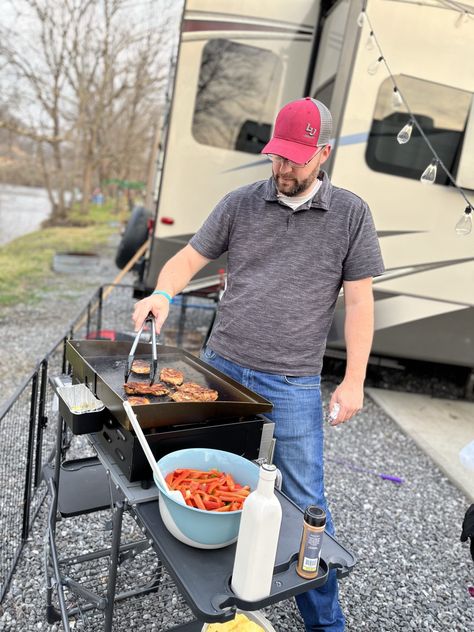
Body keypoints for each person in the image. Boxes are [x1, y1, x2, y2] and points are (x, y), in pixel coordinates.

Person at [133, 97, 385, 631]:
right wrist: (163, 292)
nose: (282, 169)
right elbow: (189, 258)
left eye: (295, 159)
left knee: (305, 504)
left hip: (293, 381)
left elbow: (361, 301)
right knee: (203, 478)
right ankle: (221, 603)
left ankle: (325, 624)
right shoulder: (241, 202)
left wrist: (355, 379)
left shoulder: (351, 214)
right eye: (277, 156)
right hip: (221, 368)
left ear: (323, 153)